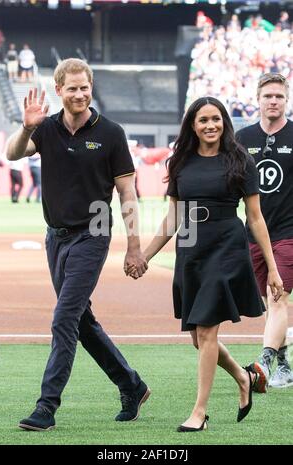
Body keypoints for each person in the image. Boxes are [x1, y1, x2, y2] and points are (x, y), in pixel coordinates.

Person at [6, 58, 150, 431]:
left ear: (91, 87)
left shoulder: (111, 133)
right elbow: (12, 153)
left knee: (64, 319)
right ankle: (131, 385)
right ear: (59, 91)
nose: (79, 94)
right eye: (71, 88)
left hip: (94, 233)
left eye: (84, 87)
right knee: (81, 321)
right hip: (55, 238)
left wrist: (134, 247)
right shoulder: (46, 128)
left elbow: (127, 194)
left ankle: (46, 407)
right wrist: (26, 129)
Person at [127, 97, 283, 431]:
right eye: (203, 120)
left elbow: (255, 218)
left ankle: (199, 413)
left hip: (227, 249)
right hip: (191, 252)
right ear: (192, 126)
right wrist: (145, 257)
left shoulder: (240, 160)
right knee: (198, 338)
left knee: (208, 330)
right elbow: (173, 218)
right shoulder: (180, 162)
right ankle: (243, 377)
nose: (210, 125)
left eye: (216, 119)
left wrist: (272, 268)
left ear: (224, 122)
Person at [236, 73, 293, 390]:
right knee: (270, 304)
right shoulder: (243, 139)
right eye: (268, 96)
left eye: (280, 97)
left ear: (286, 100)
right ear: (257, 100)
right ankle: (284, 363)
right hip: (254, 235)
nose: (274, 101)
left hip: (288, 233)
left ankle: (264, 364)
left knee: (278, 297)